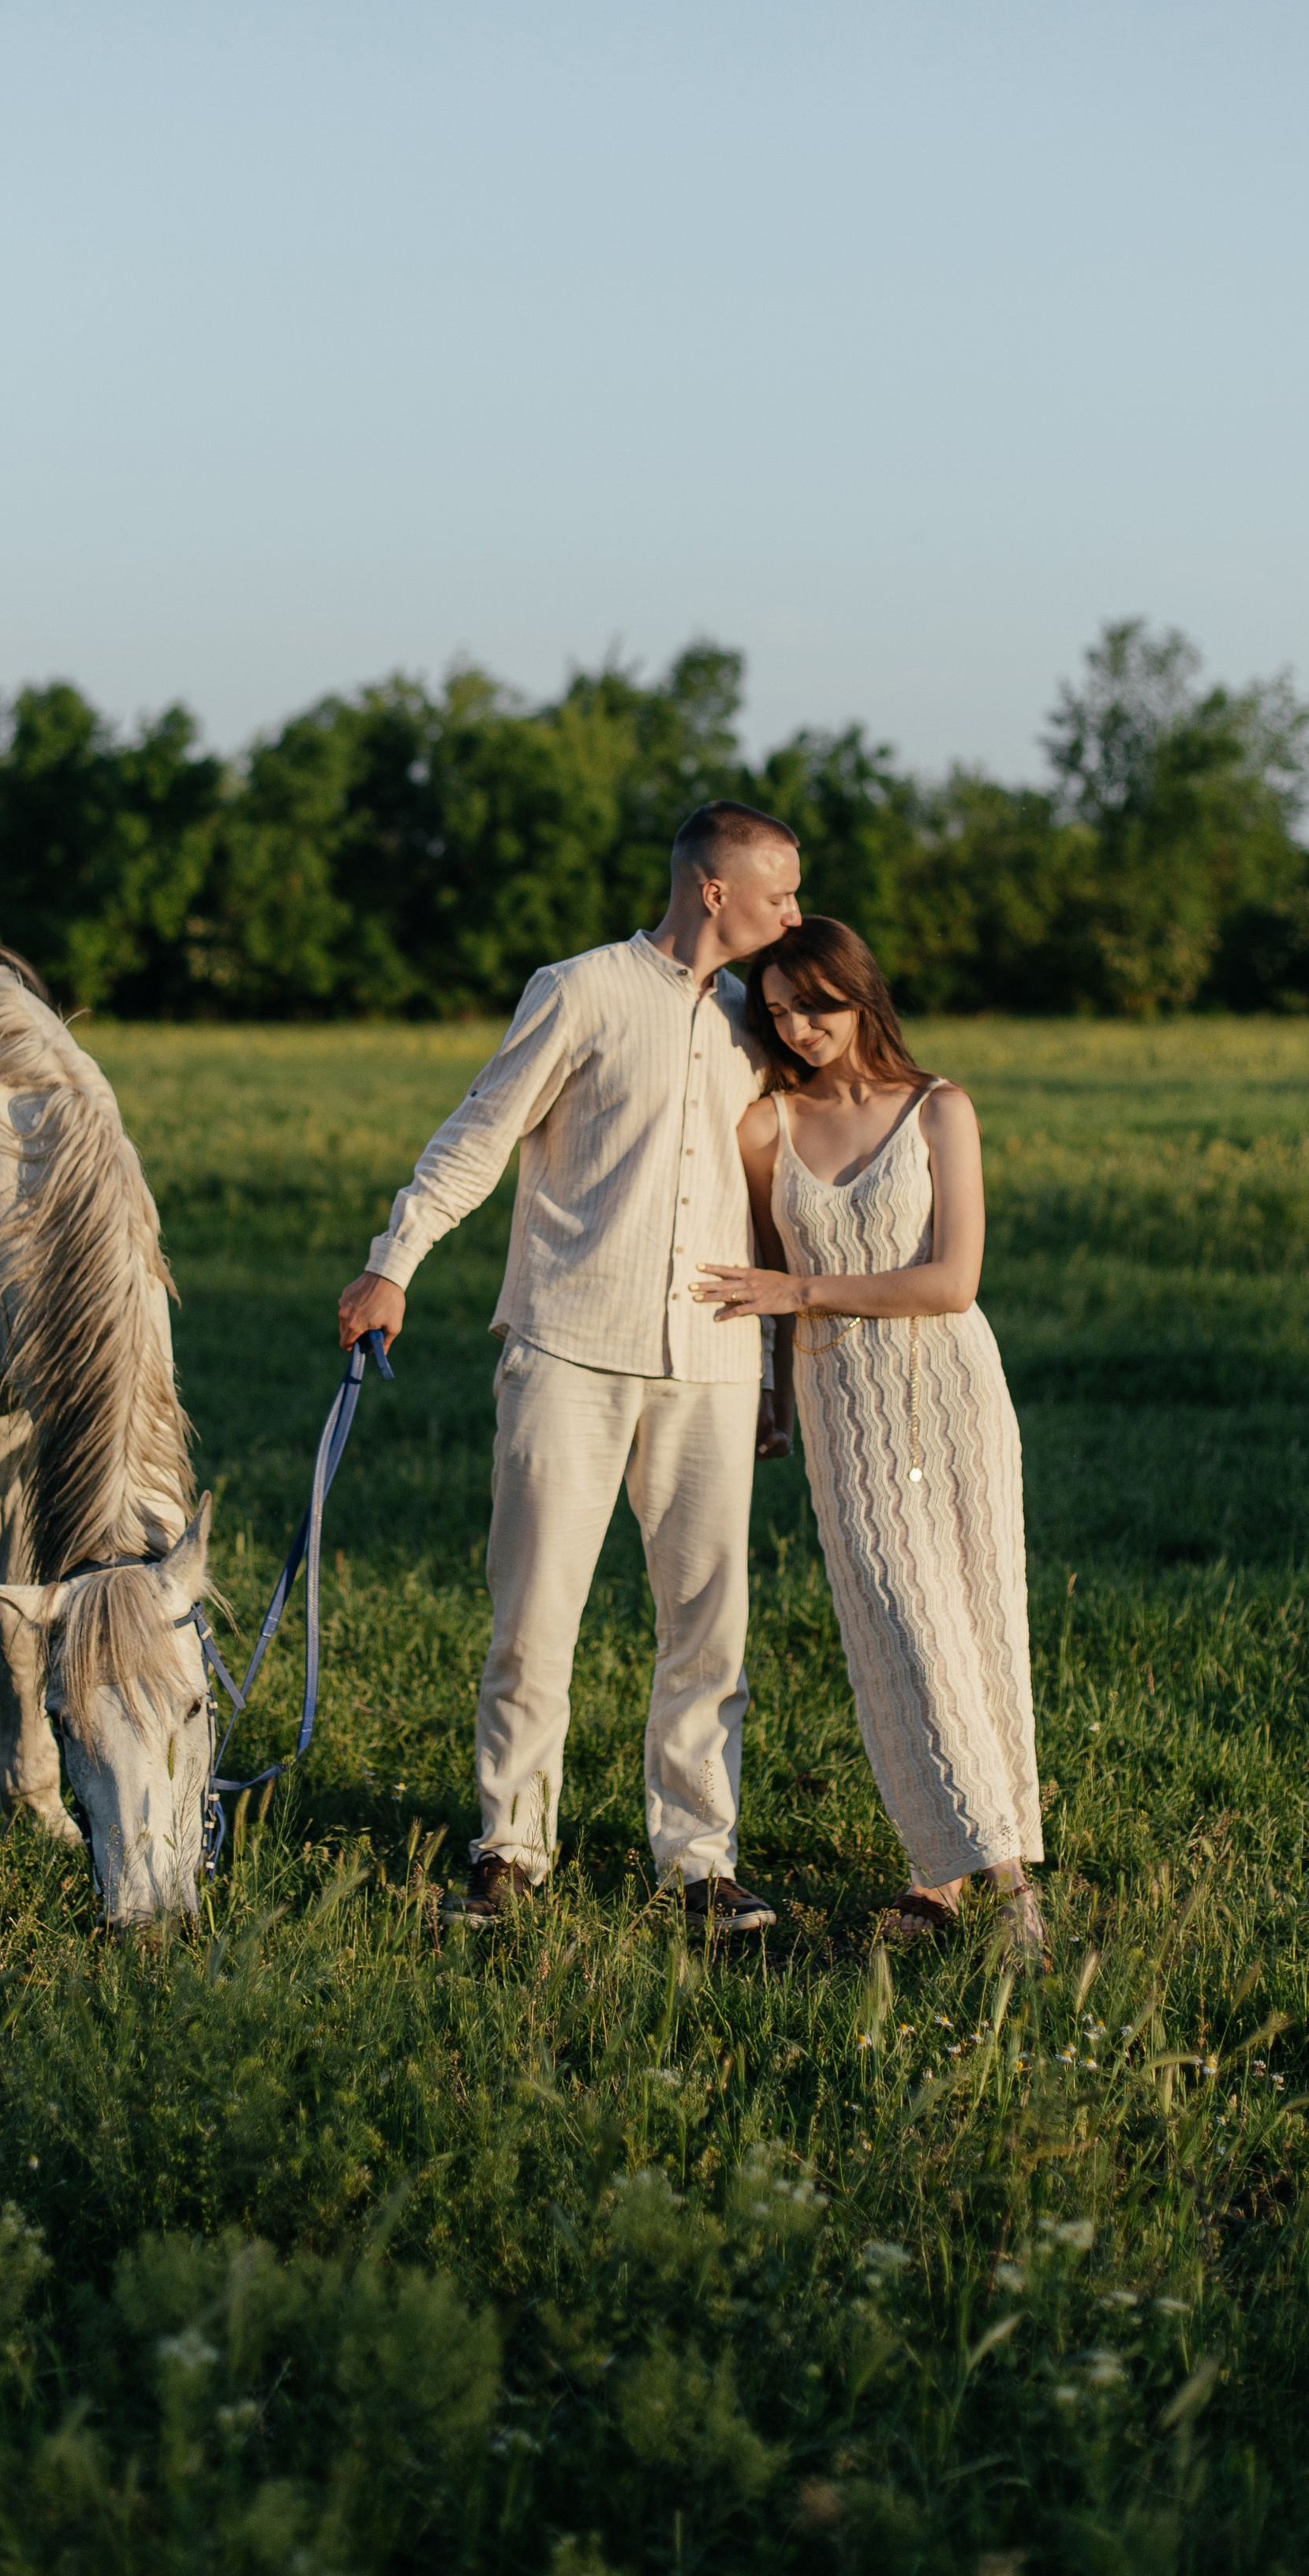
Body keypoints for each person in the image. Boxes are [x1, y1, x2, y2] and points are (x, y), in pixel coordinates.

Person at [337, 802, 802, 1934]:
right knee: (535, 1615)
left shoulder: (760, 1022)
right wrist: (393, 1262)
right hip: (567, 1348)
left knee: (710, 1625)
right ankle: (509, 1852)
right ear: (712, 891)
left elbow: (774, 1205)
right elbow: (480, 1134)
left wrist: (779, 1369)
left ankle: (700, 1863)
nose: (793, 914)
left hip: (714, 1360)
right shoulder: (582, 989)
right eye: (779, 892)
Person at [690, 918, 1047, 1962]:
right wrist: (767, 1401)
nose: (801, 1029)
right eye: (782, 1013)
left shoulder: (941, 1109)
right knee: (902, 1626)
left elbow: (953, 1281)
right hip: (843, 1406)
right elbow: (756, 1290)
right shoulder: (767, 1129)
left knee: (977, 1623)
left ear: (861, 997)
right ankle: (985, 1876)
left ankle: (960, 1880)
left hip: (953, 1396)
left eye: (819, 1006)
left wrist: (803, 1290)